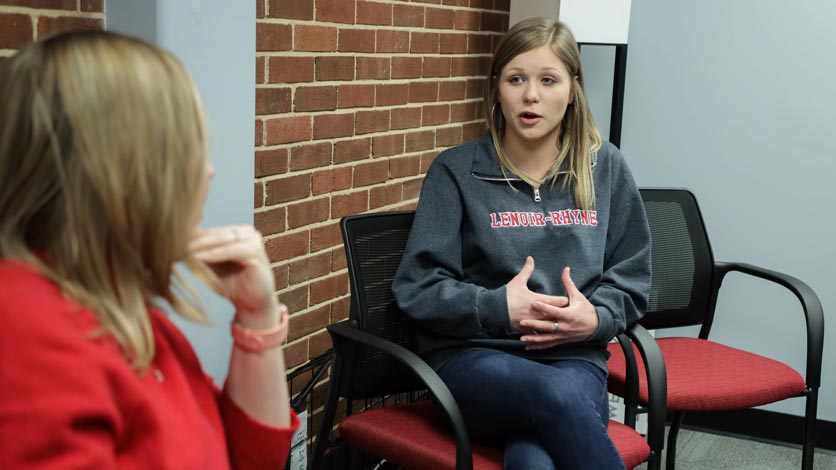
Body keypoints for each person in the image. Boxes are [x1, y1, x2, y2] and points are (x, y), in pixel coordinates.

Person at [0, 30, 298, 468]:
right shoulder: (26, 332)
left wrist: (258, 315)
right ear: (114, 167)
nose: (209, 170)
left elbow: (253, 458)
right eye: (185, 151)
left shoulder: (120, 304)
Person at [392, 17, 651, 470]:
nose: (531, 95)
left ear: (572, 89)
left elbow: (632, 276)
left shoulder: (605, 167)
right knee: (553, 398)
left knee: (534, 460)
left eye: (548, 80)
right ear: (497, 88)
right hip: (473, 360)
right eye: (517, 79)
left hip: (574, 359)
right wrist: (497, 307)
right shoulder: (455, 171)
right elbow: (417, 286)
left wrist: (596, 318)